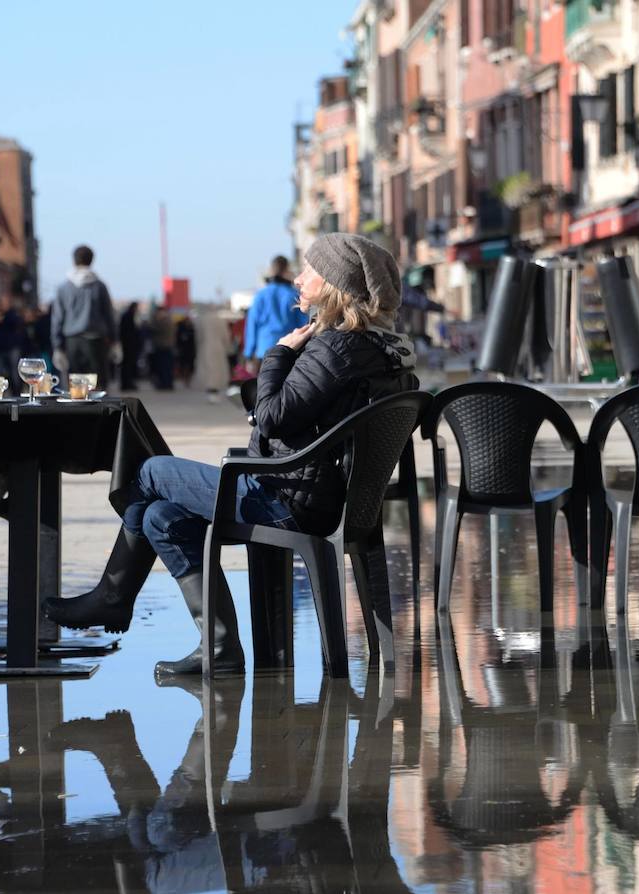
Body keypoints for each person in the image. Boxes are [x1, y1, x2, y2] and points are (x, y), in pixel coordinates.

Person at [43, 233, 417, 678]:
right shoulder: (381, 349)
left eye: (309, 272)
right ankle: (219, 647)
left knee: (149, 470)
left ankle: (112, 595)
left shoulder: (335, 347)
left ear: (334, 284)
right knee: (159, 517)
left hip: (288, 500)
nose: (298, 279)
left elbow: (272, 416)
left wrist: (278, 353)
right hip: (322, 497)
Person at [52, 244, 115, 387]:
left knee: (75, 387)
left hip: (72, 341)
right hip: (96, 341)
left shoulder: (64, 288)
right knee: (98, 386)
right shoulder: (99, 286)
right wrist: (115, 340)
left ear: (74, 260)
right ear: (92, 260)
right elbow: (108, 315)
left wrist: (57, 346)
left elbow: (57, 319)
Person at [241, 255, 304, 372]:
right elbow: (303, 324)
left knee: (264, 388)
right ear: (287, 270)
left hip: (264, 350)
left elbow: (252, 325)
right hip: (289, 349)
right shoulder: (294, 295)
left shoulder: (260, 295)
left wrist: (248, 353)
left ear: (271, 269)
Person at [192, 302, 230, 402]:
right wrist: (227, 346)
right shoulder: (220, 320)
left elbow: (198, 336)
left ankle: (210, 391)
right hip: (218, 347)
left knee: (208, 369)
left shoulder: (201, 320)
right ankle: (215, 391)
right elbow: (225, 336)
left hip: (205, 346)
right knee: (217, 369)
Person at [149, 305, 177, 390]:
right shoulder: (168, 319)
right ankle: (166, 383)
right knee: (166, 367)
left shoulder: (164, 320)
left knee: (164, 367)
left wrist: (155, 320)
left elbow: (155, 329)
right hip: (165, 346)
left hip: (164, 346)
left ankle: (166, 383)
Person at [119, 301, 142, 391]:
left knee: (128, 365)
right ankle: (127, 383)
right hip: (129, 345)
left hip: (128, 345)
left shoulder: (127, 315)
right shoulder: (129, 316)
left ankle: (127, 383)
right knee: (128, 365)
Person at [174, 314, 195, 387]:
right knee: (184, 365)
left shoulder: (192, 329)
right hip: (183, 350)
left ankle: (187, 379)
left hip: (190, 351)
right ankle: (184, 378)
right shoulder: (181, 329)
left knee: (189, 366)